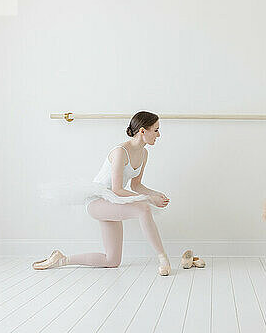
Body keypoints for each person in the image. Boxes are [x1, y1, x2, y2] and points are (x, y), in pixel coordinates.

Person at [33, 111, 172, 275]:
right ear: (143, 131)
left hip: (113, 202)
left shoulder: (144, 154)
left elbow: (136, 185)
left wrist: (156, 194)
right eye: (156, 130)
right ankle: (163, 259)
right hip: (97, 201)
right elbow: (117, 189)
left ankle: (61, 259)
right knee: (144, 209)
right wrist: (149, 199)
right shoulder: (120, 151)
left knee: (111, 261)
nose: (159, 134)